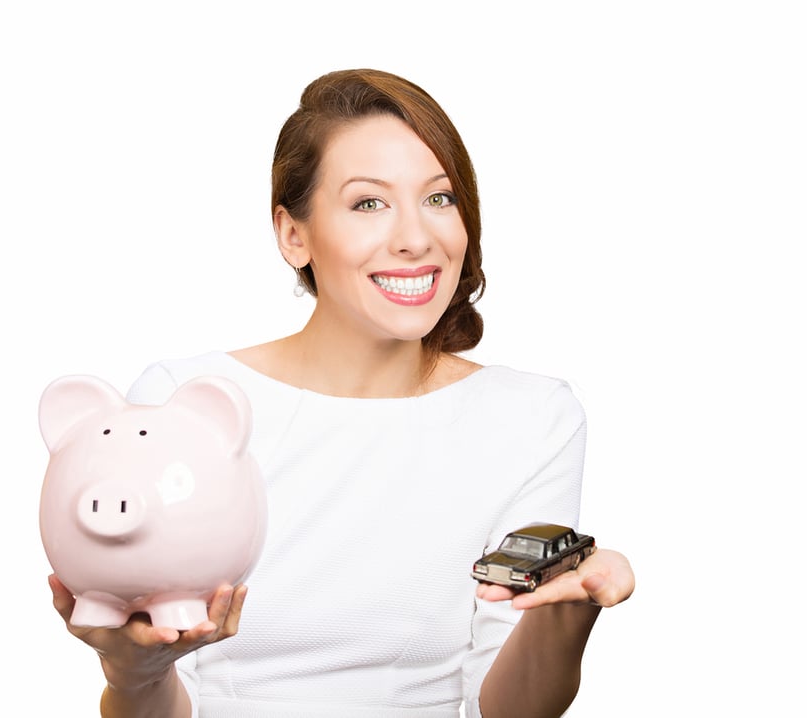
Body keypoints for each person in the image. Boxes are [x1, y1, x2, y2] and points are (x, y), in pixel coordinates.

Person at [48, 68, 635, 718]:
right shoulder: (186, 402)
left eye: (440, 198)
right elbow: (157, 684)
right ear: (292, 234)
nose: (417, 237)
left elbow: (508, 711)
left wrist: (567, 613)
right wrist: (133, 675)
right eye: (369, 203)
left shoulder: (533, 419)